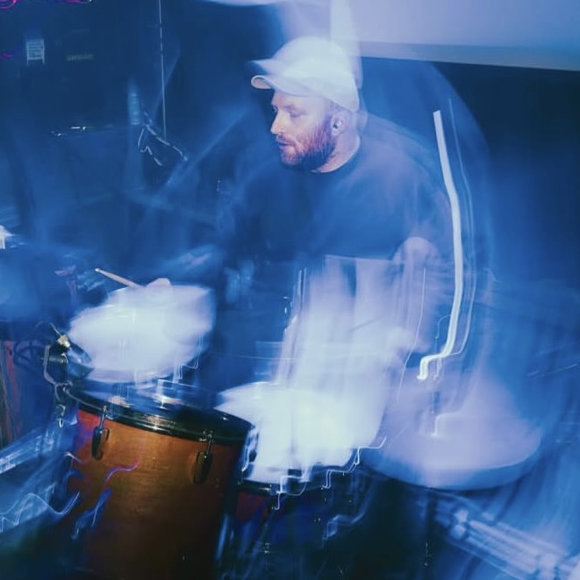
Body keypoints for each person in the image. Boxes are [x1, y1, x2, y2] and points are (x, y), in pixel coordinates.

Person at [192, 35, 455, 397]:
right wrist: (177, 286)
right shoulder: (263, 177)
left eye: (294, 113)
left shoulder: (400, 180)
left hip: (356, 390)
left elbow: (442, 281)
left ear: (338, 122)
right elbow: (224, 254)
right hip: (266, 378)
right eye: (276, 110)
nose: (276, 127)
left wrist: (406, 343)